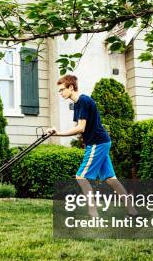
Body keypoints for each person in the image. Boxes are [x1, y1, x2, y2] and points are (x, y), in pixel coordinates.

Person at [48, 74, 138, 217]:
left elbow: (80, 128)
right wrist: (57, 132)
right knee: (111, 179)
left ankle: (93, 212)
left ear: (71, 87)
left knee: (81, 177)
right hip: (100, 142)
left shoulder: (83, 101)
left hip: (98, 143)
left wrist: (58, 133)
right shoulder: (78, 104)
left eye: (61, 90)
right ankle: (132, 211)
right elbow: (80, 128)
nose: (60, 93)